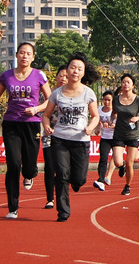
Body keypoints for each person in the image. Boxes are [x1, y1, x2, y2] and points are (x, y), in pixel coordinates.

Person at [0, 42, 51, 219]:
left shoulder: (39, 75)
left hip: (31, 123)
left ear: (33, 57)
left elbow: (50, 100)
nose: (25, 56)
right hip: (11, 123)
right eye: (22, 53)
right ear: (16, 55)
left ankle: (29, 175)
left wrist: (36, 109)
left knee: (29, 167)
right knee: (13, 164)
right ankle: (13, 207)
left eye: (28, 53)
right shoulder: (7, 76)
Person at [42, 52, 100, 222]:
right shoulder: (57, 94)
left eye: (79, 69)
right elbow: (46, 115)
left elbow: (95, 116)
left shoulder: (88, 93)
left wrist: (90, 127)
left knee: (79, 179)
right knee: (61, 174)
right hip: (60, 139)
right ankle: (63, 211)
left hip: (81, 140)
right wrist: (46, 126)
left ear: (83, 72)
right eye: (72, 67)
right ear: (66, 70)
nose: (75, 71)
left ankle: (76, 183)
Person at [108, 74, 139, 196]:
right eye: (123, 82)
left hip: (133, 135)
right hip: (119, 134)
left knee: (129, 163)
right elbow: (114, 112)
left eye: (128, 82)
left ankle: (127, 186)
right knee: (118, 162)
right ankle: (121, 167)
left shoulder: (138, 100)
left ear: (133, 85)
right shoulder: (116, 99)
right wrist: (112, 120)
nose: (125, 84)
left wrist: (138, 118)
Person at [41, 65, 67, 209]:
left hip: (66, 136)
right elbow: (42, 112)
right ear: (56, 77)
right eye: (61, 75)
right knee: (50, 167)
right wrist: (47, 126)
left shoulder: (72, 95)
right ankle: (50, 198)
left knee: (63, 168)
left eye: (66, 76)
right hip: (49, 135)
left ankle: (62, 196)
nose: (63, 78)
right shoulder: (49, 94)